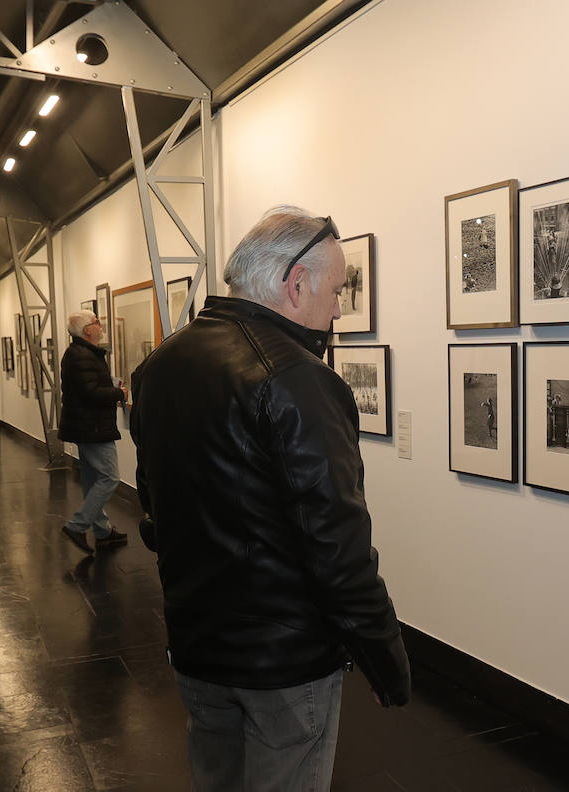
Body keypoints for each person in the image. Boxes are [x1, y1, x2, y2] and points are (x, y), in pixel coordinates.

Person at [130, 206, 410, 791]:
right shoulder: (296, 378)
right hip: (283, 664)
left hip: (197, 645)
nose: (339, 307)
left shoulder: (160, 366)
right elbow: (336, 542)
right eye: (337, 291)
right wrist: (385, 654)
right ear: (296, 283)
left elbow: (154, 513)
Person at [56, 310, 128, 554]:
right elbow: (91, 394)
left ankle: (102, 531)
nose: (100, 326)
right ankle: (77, 526)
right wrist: (120, 394)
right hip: (93, 427)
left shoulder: (81, 353)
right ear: (88, 330)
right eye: (97, 322)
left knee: (92, 478)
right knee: (110, 477)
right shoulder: (81, 356)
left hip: (86, 425)